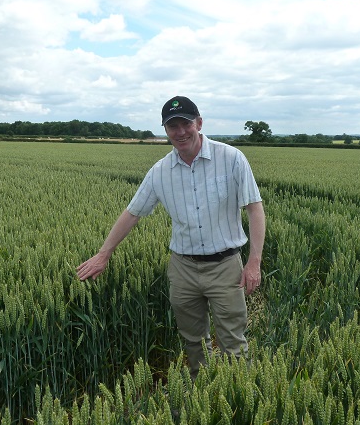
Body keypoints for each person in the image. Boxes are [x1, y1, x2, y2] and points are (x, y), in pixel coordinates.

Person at [77, 95, 266, 380]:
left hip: (225, 266)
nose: (180, 132)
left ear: (199, 123)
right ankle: (200, 397)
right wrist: (104, 253)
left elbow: (254, 208)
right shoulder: (160, 172)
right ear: (165, 130)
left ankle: (236, 400)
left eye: (185, 124)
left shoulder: (231, 158)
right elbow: (133, 213)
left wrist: (254, 262)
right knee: (193, 342)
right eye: (172, 126)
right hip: (183, 268)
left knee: (233, 343)